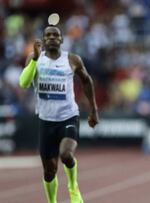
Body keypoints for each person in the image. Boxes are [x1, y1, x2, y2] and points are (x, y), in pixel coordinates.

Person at [18, 24, 99, 203]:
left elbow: (87, 81)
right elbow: (23, 83)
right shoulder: (34, 59)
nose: (52, 38)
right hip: (46, 121)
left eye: (56, 35)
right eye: (48, 35)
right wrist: (34, 60)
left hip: (68, 116)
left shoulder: (72, 59)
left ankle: (72, 186)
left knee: (66, 154)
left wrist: (93, 110)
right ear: (43, 40)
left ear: (61, 40)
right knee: (49, 171)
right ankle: (52, 201)